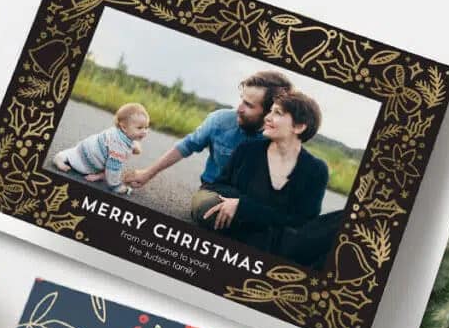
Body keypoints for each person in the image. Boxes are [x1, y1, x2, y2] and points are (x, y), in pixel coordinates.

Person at [188, 89, 330, 255]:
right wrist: (238, 205)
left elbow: (304, 220)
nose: (267, 117)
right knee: (206, 204)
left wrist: (245, 207)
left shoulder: (316, 170)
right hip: (247, 225)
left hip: (274, 237)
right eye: (270, 111)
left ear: (298, 127)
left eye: (277, 113)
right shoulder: (247, 150)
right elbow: (217, 186)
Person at [126, 71, 292, 193]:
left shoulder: (283, 140)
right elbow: (187, 145)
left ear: (271, 111)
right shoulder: (220, 121)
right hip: (214, 191)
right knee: (208, 211)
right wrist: (147, 173)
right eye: (242, 100)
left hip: (252, 202)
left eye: (249, 105)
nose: (239, 109)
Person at [53, 102, 149, 194]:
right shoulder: (118, 146)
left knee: (72, 153)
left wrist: (134, 145)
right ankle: (60, 159)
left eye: (146, 127)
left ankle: (64, 157)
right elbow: (113, 168)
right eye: (139, 128)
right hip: (86, 162)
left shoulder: (118, 132)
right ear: (124, 127)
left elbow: (130, 141)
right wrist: (116, 186)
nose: (144, 131)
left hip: (84, 148)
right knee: (113, 165)